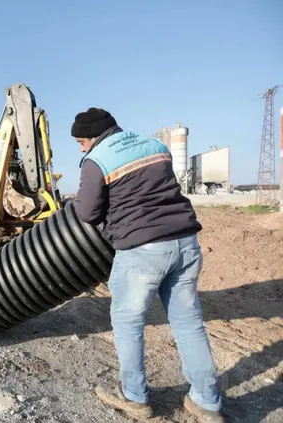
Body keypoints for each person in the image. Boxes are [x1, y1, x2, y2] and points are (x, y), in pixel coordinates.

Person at [71, 108, 223, 422]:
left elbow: (87, 213)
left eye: (81, 142)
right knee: (188, 323)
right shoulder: (155, 146)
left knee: (127, 323)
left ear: (92, 137)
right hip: (185, 242)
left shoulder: (97, 159)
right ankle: (207, 402)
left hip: (143, 250)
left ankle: (134, 396)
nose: (82, 148)